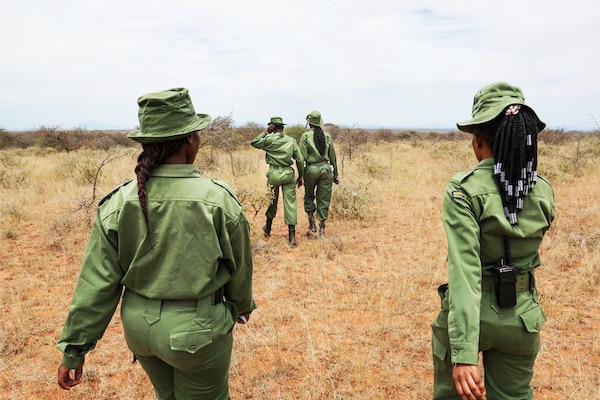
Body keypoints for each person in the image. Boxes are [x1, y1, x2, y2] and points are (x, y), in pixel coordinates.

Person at [56, 87, 256, 400]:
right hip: (196, 333)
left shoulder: (120, 201)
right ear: (190, 138)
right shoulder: (217, 199)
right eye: (198, 134)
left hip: (139, 331)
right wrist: (240, 308)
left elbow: (97, 283)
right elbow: (240, 267)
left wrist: (74, 349)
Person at [431, 82, 555, 400]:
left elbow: (465, 273)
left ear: (477, 141)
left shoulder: (464, 189)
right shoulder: (543, 190)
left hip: (473, 316)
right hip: (522, 316)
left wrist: (463, 353)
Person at [250, 116, 304, 247]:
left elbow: (254, 142)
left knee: (271, 200)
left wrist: (266, 132)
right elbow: (300, 160)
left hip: (274, 173)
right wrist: (300, 175)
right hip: (288, 173)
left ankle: (268, 228)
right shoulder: (291, 141)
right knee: (290, 203)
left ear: (272, 127)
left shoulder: (268, 140)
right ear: (283, 127)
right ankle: (291, 237)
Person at [299, 110, 339, 237]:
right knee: (324, 198)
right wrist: (336, 174)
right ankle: (322, 228)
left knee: (309, 195)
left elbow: (302, 157)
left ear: (309, 123)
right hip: (326, 169)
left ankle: (312, 224)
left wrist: (300, 174)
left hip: (311, 169)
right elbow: (333, 157)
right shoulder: (327, 136)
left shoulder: (305, 136)